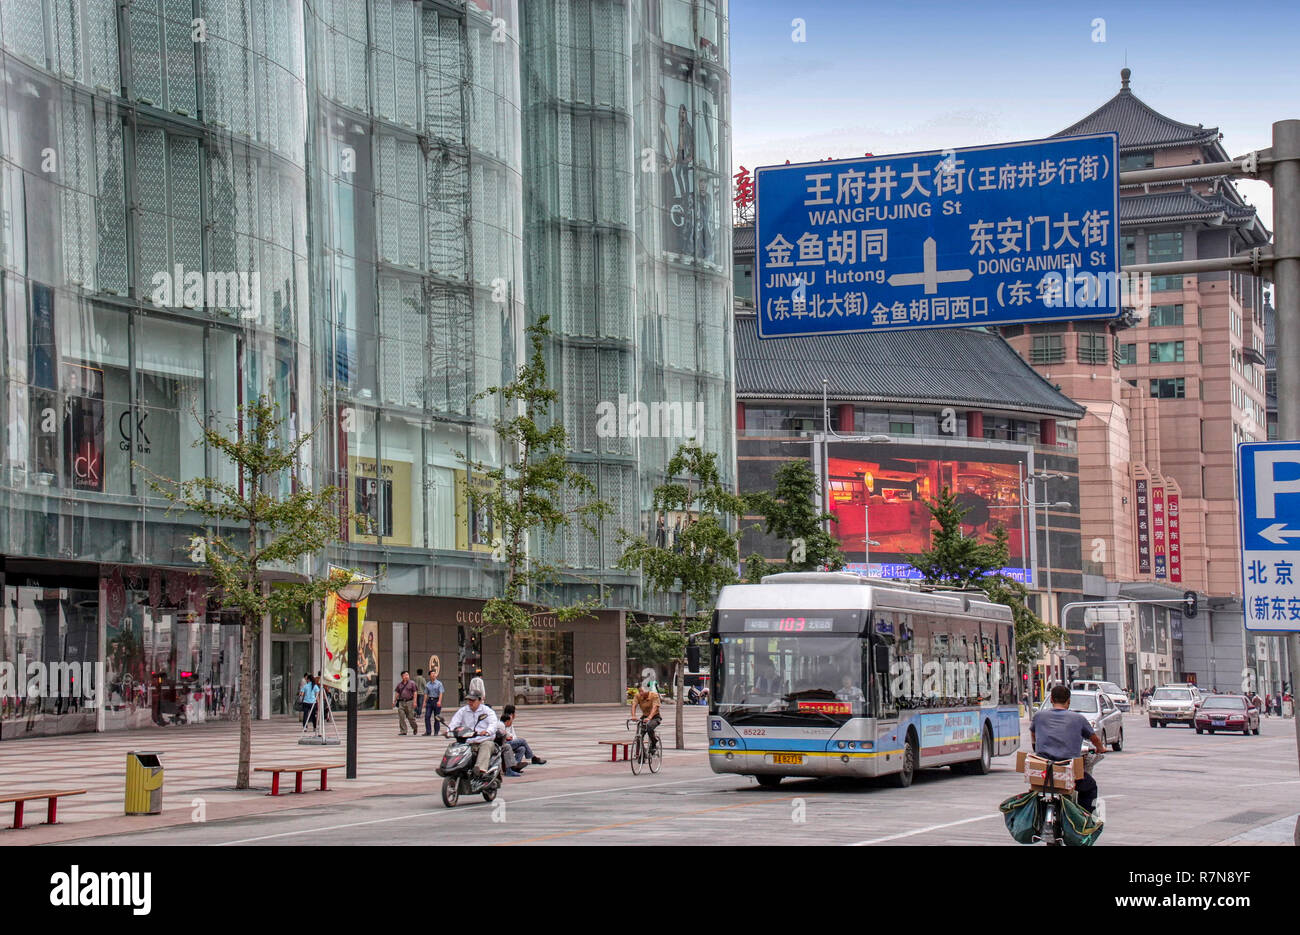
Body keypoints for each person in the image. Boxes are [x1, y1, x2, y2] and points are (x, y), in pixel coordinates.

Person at [1031, 684, 1105, 812]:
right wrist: (1100, 748)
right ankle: (1084, 818)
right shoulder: (1078, 719)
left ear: (1051, 700)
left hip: (1043, 768)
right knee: (1090, 787)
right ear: (1069, 701)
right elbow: (1095, 739)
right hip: (1068, 769)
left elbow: (1034, 736)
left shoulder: (1038, 716)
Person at [446, 690, 499, 777]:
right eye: (468, 700)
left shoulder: (487, 711)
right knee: (454, 747)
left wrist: (487, 731)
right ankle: (450, 767)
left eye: (473, 700)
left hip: (482, 741)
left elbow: (493, 723)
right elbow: (454, 723)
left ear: (480, 700)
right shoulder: (463, 711)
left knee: (487, 745)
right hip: (467, 742)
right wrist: (449, 731)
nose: (470, 702)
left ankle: (480, 769)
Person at [498, 704, 547, 777]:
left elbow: (513, 736)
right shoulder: (505, 721)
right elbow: (506, 735)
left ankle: (515, 766)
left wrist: (514, 739)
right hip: (506, 743)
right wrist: (513, 738)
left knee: (522, 748)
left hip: (511, 741)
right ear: (512, 714)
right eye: (515, 713)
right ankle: (533, 757)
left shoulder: (509, 721)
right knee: (523, 741)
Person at [633, 684, 662, 751]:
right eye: (639, 691)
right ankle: (642, 753)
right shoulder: (638, 696)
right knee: (639, 735)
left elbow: (655, 707)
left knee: (649, 726)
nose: (641, 693)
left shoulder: (654, 695)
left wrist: (649, 717)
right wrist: (633, 715)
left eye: (642, 691)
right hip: (644, 716)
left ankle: (654, 742)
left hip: (655, 717)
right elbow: (634, 705)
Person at [393, 670, 419, 736]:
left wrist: (415, 701)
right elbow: (397, 693)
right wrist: (394, 701)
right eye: (405, 675)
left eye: (407, 675)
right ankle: (403, 731)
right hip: (401, 702)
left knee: (411, 717)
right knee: (401, 717)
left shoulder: (412, 683)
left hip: (410, 702)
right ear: (402, 677)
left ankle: (415, 727)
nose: (407, 676)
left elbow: (415, 692)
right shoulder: (399, 684)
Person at [424, 669, 444, 736]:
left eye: (434, 674)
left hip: (436, 700)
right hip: (429, 701)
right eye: (432, 674)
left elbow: (441, 693)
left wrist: (439, 701)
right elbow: (426, 694)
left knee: (437, 717)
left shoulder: (439, 683)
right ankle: (428, 731)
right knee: (427, 716)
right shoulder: (427, 684)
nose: (433, 675)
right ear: (429, 675)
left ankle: (436, 731)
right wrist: (424, 702)